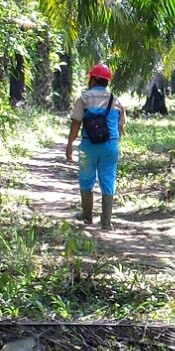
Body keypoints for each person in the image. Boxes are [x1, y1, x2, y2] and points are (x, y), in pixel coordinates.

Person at [65, 63, 123, 229]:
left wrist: (70, 144)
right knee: (108, 180)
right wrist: (112, 144)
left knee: (86, 178)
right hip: (110, 146)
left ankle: (87, 215)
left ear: (94, 79)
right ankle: (106, 222)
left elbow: (76, 123)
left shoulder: (84, 98)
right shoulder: (115, 100)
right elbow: (120, 126)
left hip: (88, 146)